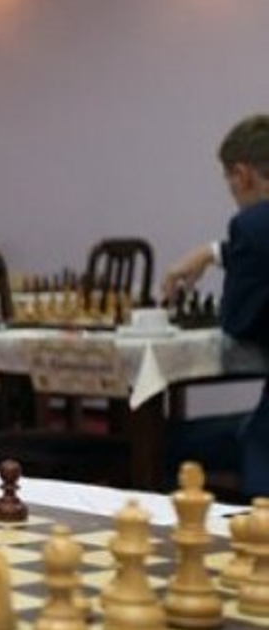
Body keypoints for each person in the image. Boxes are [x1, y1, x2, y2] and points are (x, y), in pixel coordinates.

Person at [161, 113, 269, 499]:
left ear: (242, 175)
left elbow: (236, 324)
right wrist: (215, 253)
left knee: (166, 444)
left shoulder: (251, 225)